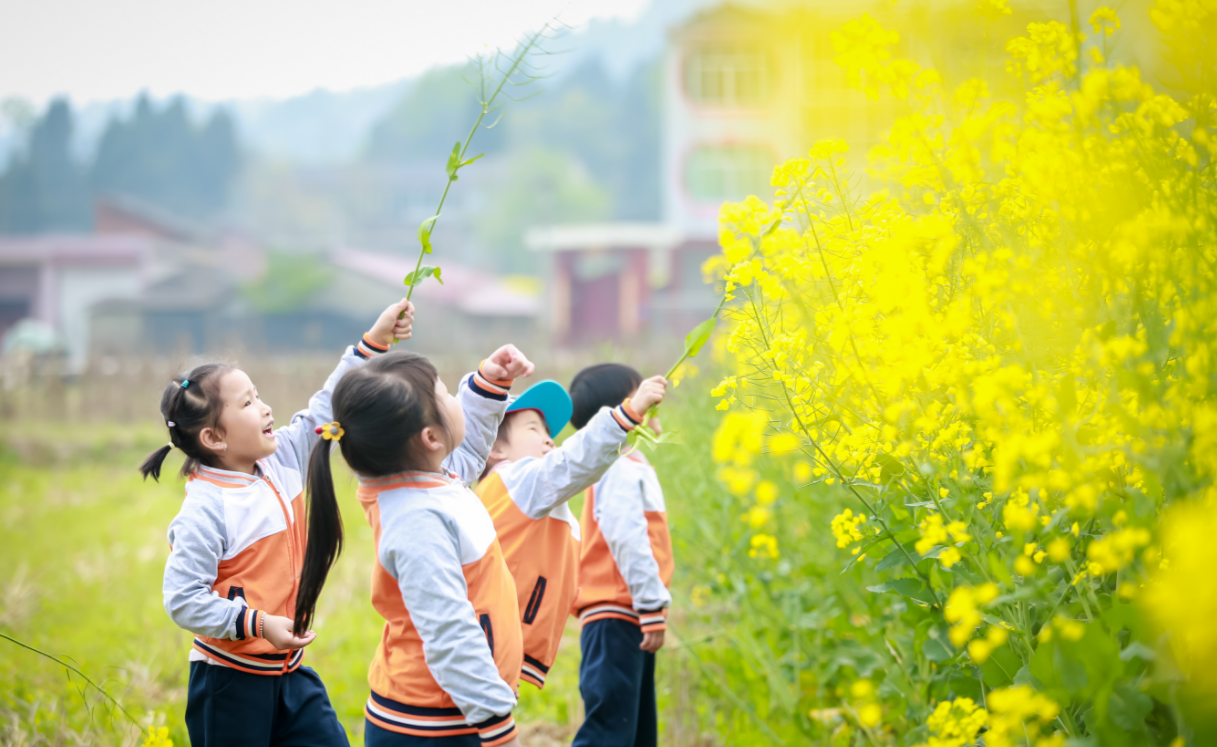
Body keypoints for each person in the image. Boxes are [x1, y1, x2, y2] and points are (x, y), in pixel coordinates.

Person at [140, 299, 415, 747]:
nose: (266, 408)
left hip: (290, 674)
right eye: (248, 403)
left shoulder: (282, 457)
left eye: (259, 395)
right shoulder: (206, 510)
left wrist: (374, 342)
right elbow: (182, 600)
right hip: (229, 685)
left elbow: (325, 408)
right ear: (214, 437)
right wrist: (258, 624)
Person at [293, 345, 535, 747]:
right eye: (445, 393)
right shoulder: (418, 520)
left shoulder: (421, 480)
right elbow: (447, 627)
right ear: (430, 437)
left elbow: (468, 449)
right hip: (435, 722)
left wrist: (488, 385)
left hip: (448, 709)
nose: (452, 397)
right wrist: (492, 717)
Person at [475, 374, 667, 690]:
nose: (550, 439)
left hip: (494, 642)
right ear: (495, 448)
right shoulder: (516, 480)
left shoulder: (525, 495)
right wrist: (627, 414)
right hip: (488, 640)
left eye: (549, 432)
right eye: (534, 429)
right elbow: (571, 464)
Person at [568, 363, 675, 747]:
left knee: (635, 730)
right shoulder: (618, 469)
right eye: (641, 395)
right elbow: (627, 538)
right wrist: (650, 604)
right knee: (610, 731)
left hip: (623, 614)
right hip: (616, 614)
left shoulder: (624, 466)